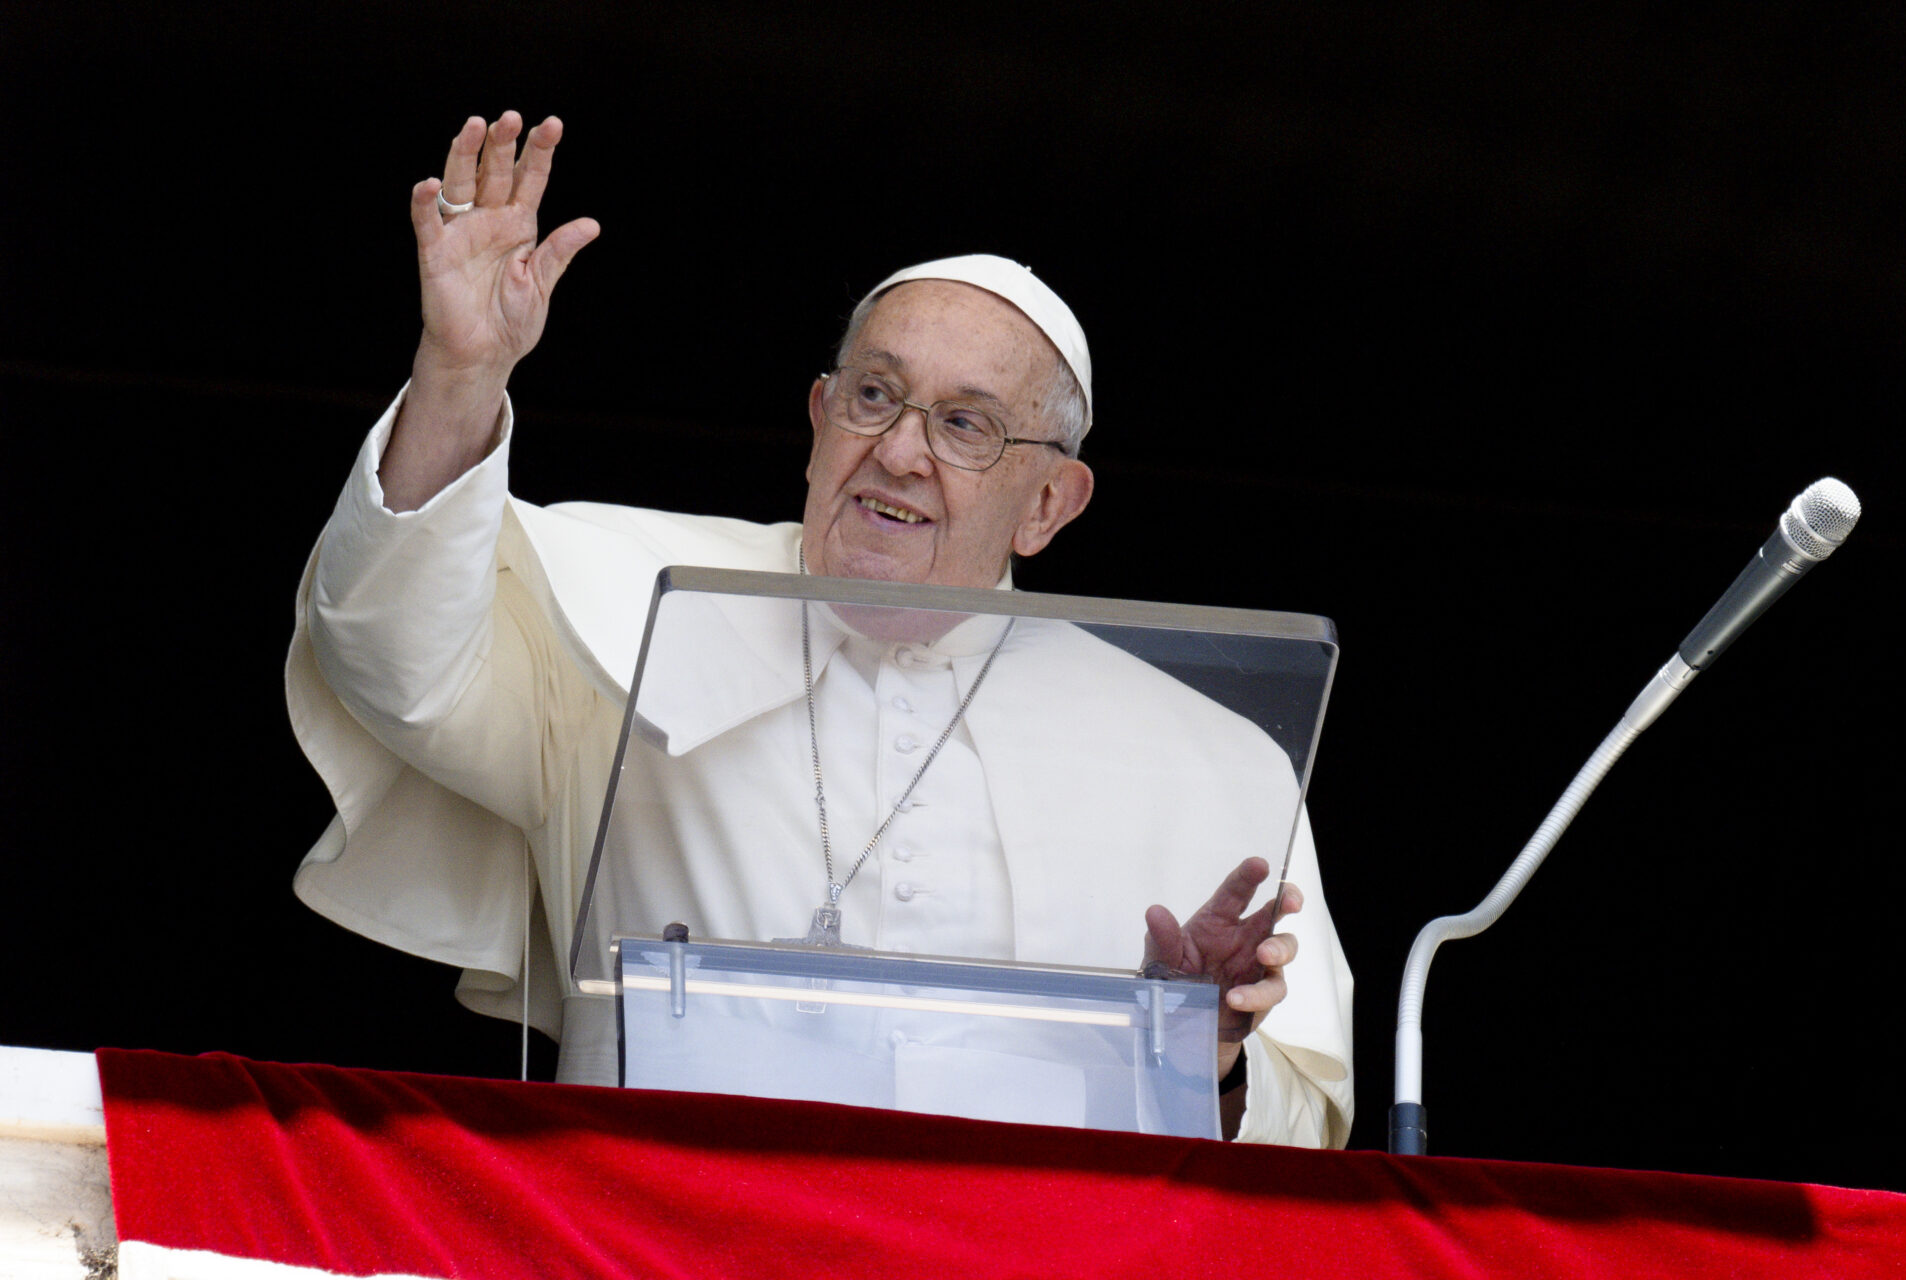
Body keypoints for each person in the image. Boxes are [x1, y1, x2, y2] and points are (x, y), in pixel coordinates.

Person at [287, 111, 1354, 1146]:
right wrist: (461, 375)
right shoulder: (617, 609)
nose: (898, 451)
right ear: (817, 418)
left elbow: (1299, 1141)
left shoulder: (1204, 758)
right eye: (876, 395)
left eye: (965, 424)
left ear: (1048, 504)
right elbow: (392, 658)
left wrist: (1202, 1053)